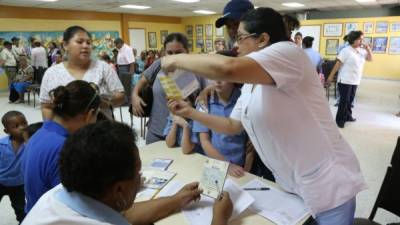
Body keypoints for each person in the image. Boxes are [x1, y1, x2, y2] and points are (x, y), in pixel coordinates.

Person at [162, 7, 367, 225]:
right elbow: (232, 125)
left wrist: (175, 59)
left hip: (328, 185)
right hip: (291, 185)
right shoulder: (254, 81)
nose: (235, 45)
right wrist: (190, 113)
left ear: (262, 39)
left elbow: (228, 68)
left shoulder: (289, 53)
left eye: (240, 38)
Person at [22, 121, 233, 225]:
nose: (140, 178)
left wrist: (178, 199)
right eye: (138, 172)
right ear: (119, 189)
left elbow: (123, 214)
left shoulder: (63, 193)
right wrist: (219, 219)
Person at [24, 80, 101, 212]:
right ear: (89, 115)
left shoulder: (39, 134)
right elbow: (75, 206)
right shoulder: (66, 149)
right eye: (97, 115)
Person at [132, 33, 207, 144]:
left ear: (187, 51)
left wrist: (203, 93)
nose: (173, 56)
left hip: (185, 133)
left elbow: (207, 98)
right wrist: (134, 95)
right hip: (156, 130)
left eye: (178, 52)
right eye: (169, 52)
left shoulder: (197, 70)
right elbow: (143, 79)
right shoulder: (159, 64)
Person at [40, 26, 124, 120]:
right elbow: (46, 107)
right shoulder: (52, 73)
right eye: (79, 42)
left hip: (101, 129)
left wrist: (105, 102)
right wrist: (51, 130)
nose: (85, 46)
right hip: (65, 132)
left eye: (88, 43)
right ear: (65, 45)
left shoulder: (103, 67)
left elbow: (120, 95)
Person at [193, 79, 246, 178]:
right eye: (212, 76)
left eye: (222, 76)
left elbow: (250, 145)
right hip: (214, 164)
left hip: (240, 167)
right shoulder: (203, 102)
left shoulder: (244, 99)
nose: (217, 81)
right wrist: (227, 165)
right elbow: (204, 141)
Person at [327, 30, 372, 128]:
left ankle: (348, 116)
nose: (362, 41)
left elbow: (370, 59)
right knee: (344, 101)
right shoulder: (346, 50)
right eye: (360, 39)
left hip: (355, 80)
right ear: (353, 39)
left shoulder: (361, 51)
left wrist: (368, 49)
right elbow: (338, 64)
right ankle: (340, 120)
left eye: (362, 39)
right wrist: (330, 76)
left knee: (350, 100)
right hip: (345, 80)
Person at [0, 111, 27, 223]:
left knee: (21, 209)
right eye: (16, 126)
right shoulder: (2, 145)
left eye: (24, 123)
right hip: (1, 181)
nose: (22, 127)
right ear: (7, 131)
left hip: (18, 185)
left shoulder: (30, 143)